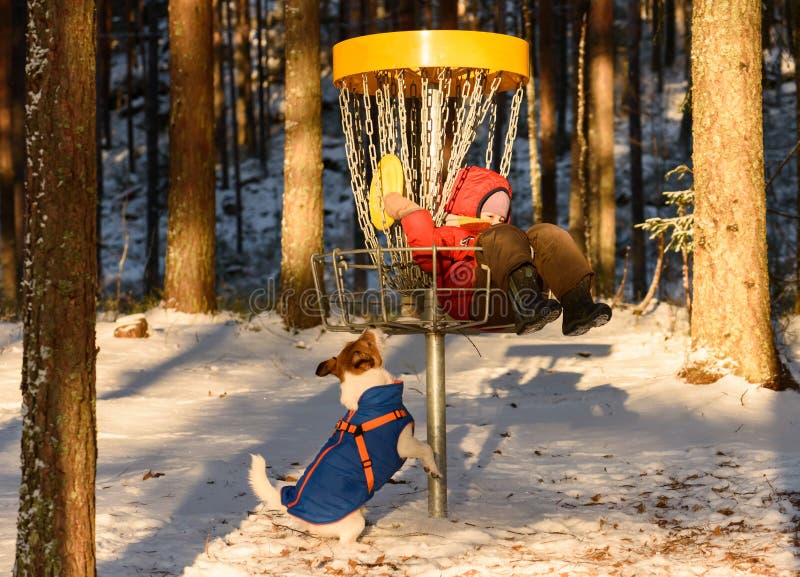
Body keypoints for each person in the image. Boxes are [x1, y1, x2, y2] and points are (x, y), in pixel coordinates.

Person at [369, 154, 612, 336]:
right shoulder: (453, 234)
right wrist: (408, 210)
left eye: (501, 217)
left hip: (509, 299)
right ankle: (526, 303)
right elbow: (425, 249)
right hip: (475, 301)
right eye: (489, 215)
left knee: (545, 232)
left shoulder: (506, 239)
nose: (495, 221)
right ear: (467, 211)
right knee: (501, 235)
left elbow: (512, 238)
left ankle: (578, 306)